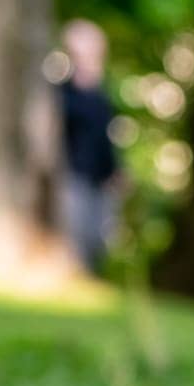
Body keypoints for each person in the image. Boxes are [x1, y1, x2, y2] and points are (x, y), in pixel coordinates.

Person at [58, 20, 121, 274]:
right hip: (74, 173)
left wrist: (115, 170)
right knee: (77, 233)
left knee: (99, 237)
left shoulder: (101, 94)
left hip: (101, 178)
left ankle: (88, 275)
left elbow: (105, 138)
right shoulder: (63, 91)